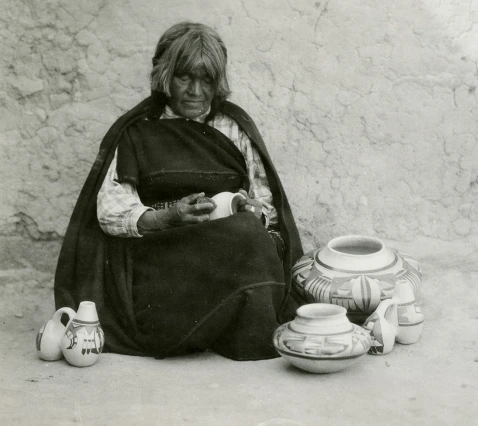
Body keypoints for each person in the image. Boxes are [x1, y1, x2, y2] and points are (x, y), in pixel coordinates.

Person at [54, 22, 303, 361]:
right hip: (165, 265)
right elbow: (109, 211)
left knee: (249, 233)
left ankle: (233, 329)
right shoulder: (138, 131)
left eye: (207, 80)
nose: (196, 91)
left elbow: (266, 204)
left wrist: (250, 209)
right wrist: (167, 218)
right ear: (165, 76)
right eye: (185, 77)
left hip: (228, 254)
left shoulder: (234, 128)